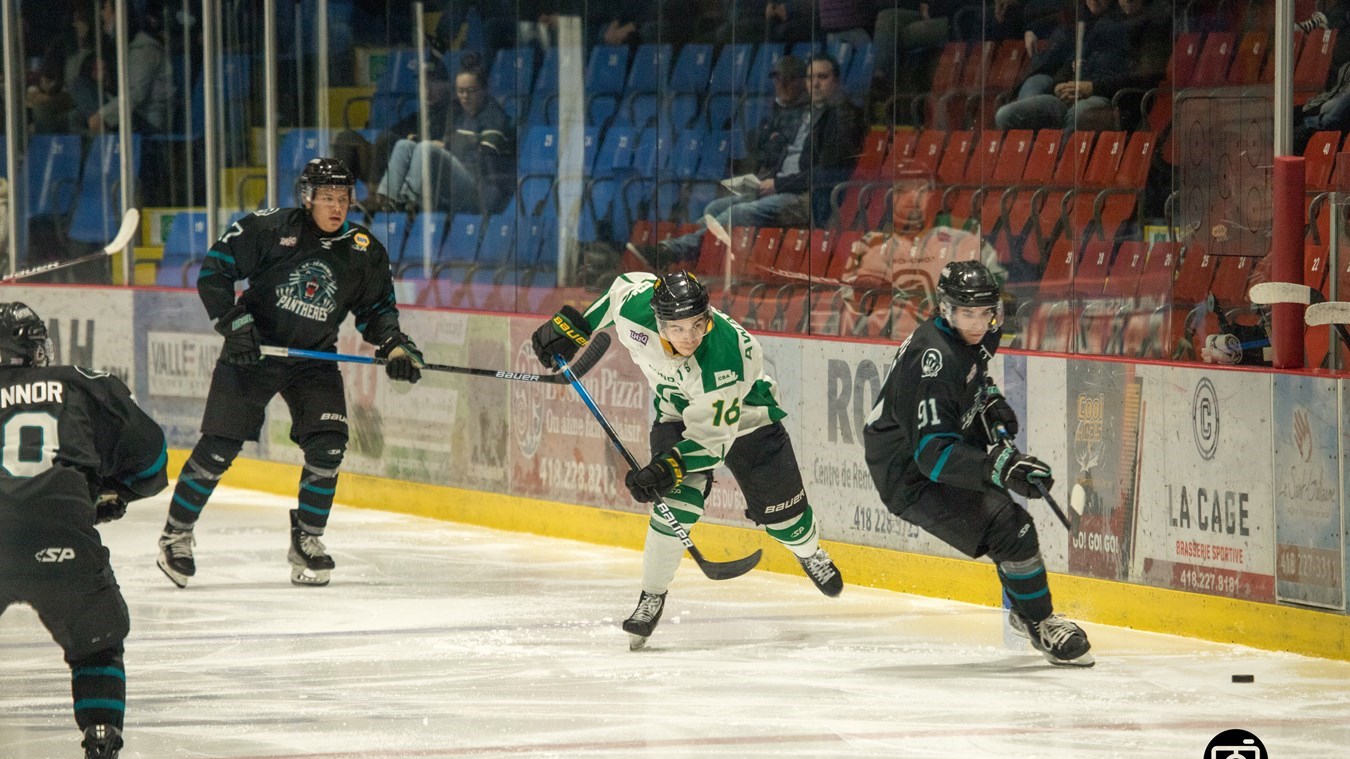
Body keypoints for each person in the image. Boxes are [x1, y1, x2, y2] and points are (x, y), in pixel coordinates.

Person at [531, 271, 843, 650]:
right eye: (678, 329)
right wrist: (576, 329)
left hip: (746, 416)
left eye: (699, 324)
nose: (691, 336)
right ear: (658, 321)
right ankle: (651, 596)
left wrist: (666, 468)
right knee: (674, 508)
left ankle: (810, 552)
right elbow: (618, 293)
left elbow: (713, 440)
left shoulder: (725, 357)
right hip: (677, 414)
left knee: (786, 521)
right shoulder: (637, 311)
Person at [156, 157, 425, 589]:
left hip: (312, 359)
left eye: (343, 198)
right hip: (254, 352)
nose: (336, 207)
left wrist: (394, 344)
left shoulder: (363, 250)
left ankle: (308, 541)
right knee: (219, 449)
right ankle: (176, 535)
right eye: (327, 198)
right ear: (307, 198)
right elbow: (214, 271)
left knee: (329, 447)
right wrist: (235, 325)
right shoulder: (269, 228)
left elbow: (376, 311)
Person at [861, 260, 1094, 666]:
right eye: (967, 313)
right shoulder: (933, 359)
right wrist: (1000, 466)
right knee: (1012, 528)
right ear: (946, 309)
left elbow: (972, 379)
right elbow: (933, 456)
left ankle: (1029, 615)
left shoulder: (977, 337)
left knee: (1010, 529)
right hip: (909, 473)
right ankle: (1040, 623)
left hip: (933, 448)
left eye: (984, 312)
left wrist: (988, 402)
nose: (977, 323)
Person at [0, 302, 169, 758]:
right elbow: (152, 462)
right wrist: (107, 493)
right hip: (62, 534)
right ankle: (101, 735)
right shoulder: (81, 383)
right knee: (97, 644)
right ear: (38, 351)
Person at [644, 54, 864, 269]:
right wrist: (771, 179)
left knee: (738, 213)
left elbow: (829, 173)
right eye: (810, 77)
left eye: (822, 77)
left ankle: (671, 251)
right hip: (782, 186)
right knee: (714, 206)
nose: (814, 84)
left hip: (809, 197)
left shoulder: (842, 117)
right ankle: (684, 258)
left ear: (836, 80)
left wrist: (778, 183)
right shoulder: (808, 113)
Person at [993, 0, 1167, 132]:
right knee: (1006, 115)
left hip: (1112, 100)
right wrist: (1060, 86)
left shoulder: (1154, 23)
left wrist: (1091, 88)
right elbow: (1075, 59)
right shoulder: (1107, 20)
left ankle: (1062, 171)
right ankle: (1032, 168)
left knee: (1079, 115)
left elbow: (1145, 76)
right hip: (1075, 93)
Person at [371, 58, 515, 215]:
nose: (465, 96)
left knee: (425, 149)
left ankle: (410, 203)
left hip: (480, 189)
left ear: (484, 89)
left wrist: (445, 147)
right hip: (457, 181)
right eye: (460, 91)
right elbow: (452, 144)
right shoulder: (460, 115)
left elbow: (483, 158)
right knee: (404, 145)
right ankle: (387, 201)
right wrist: (442, 145)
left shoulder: (494, 117)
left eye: (471, 90)